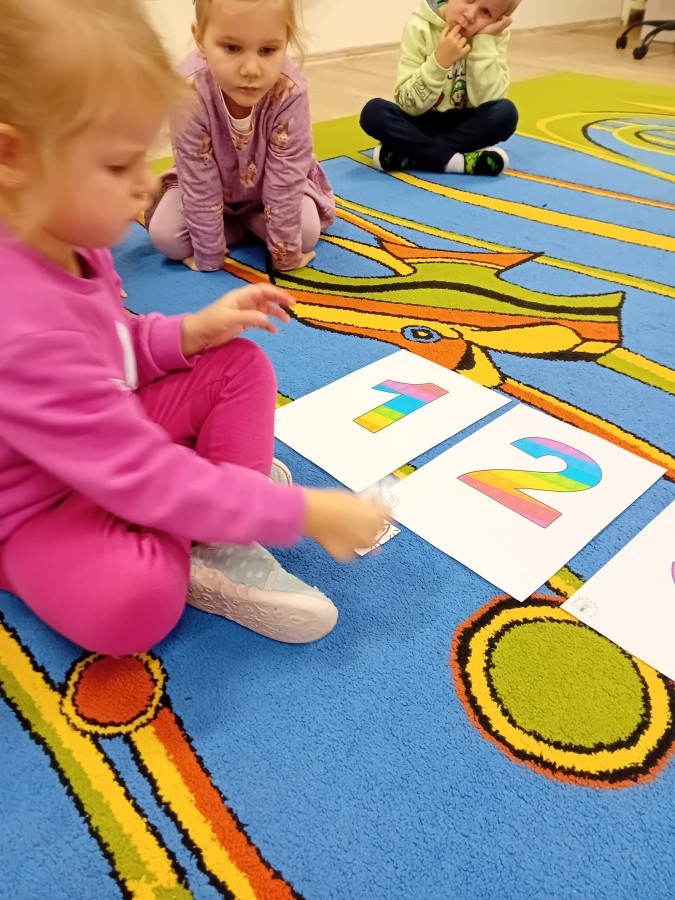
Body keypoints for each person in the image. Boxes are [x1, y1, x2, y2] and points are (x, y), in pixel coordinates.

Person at [0, 0, 387, 657]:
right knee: (134, 603)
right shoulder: (22, 321)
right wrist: (305, 513)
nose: (143, 186)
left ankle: (216, 517)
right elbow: (140, 473)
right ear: (14, 156)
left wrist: (186, 333)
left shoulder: (66, 234)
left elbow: (110, 348)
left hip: (103, 442)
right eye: (118, 166)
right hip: (37, 509)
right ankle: (207, 520)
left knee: (238, 363)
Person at [148, 0, 335, 273]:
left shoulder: (290, 89)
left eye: (268, 50)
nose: (250, 69)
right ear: (200, 39)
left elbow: (285, 178)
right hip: (207, 188)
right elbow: (198, 179)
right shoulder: (188, 88)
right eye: (232, 48)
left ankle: (247, 224)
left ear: (286, 42)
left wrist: (286, 257)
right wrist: (209, 255)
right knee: (166, 237)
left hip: (267, 192)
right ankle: (246, 228)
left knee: (304, 235)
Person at [360, 0, 520, 175]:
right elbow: (408, 104)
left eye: (486, 13)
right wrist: (440, 61)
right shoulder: (419, 27)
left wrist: (484, 41)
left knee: (506, 113)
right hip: (419, 120)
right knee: (373, 112)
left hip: (464, 126)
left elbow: (489, 102)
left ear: (499, 20)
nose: (470, 15)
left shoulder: (494, 36)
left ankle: (413, 154)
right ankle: (456, 162)